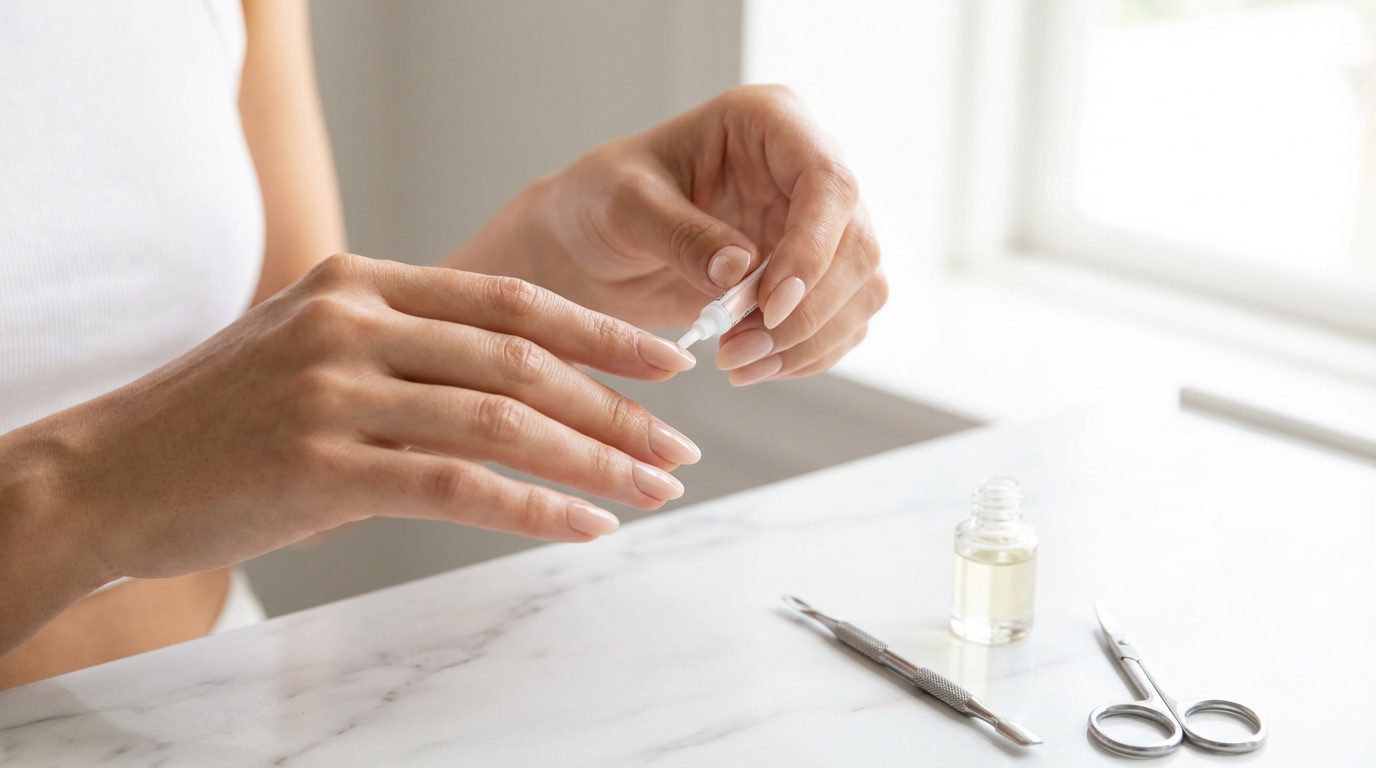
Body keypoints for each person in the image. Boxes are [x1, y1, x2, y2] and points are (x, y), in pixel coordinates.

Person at [0, 2, 886, 688]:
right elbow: (183, 448)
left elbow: (278, 434)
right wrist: (85, 495)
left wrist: (552, 253)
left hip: (217, 695)